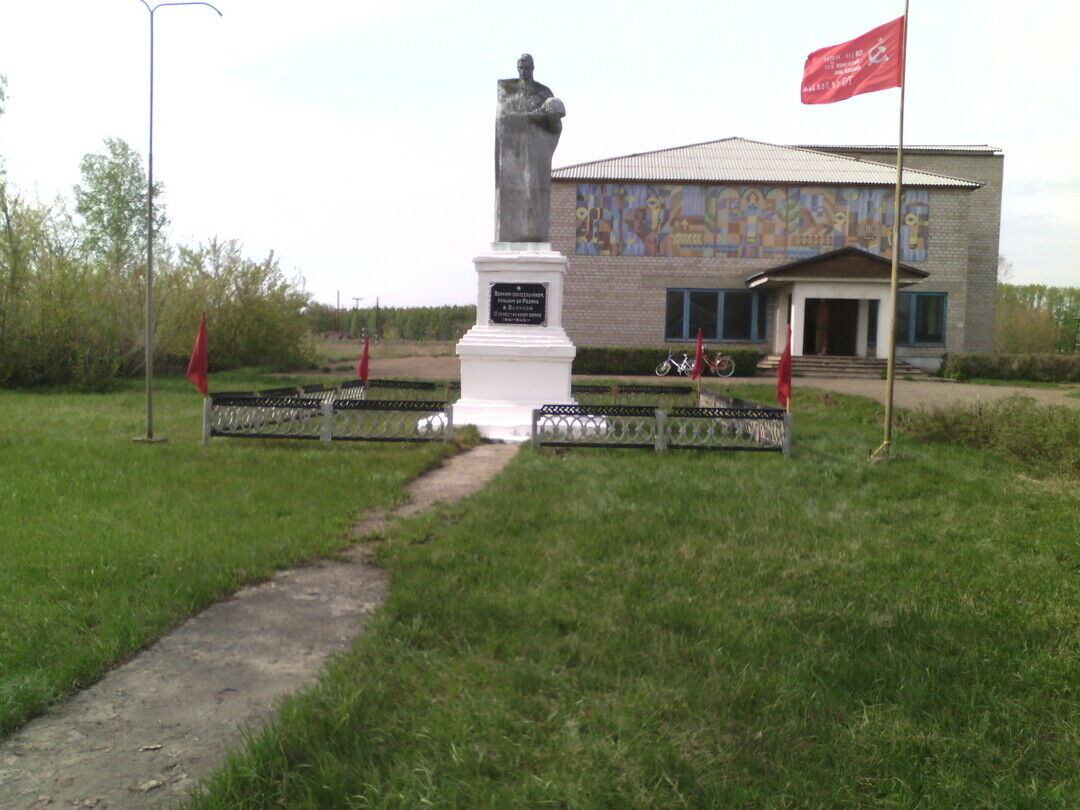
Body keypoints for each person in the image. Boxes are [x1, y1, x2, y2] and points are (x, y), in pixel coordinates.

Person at [494, 54, 565, 243]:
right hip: (513, 152)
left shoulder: (543, 93)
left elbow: (555, 125)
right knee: (514, 191)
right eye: (520, 67)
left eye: (526, 67)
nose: (523, 71)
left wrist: (541, 117)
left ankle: (532, 231)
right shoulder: (507, 92)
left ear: (533, 68)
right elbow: (503, 119)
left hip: (535, 151)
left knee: (533, 190)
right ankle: (514, 231)